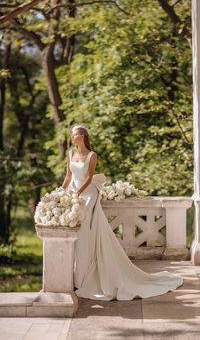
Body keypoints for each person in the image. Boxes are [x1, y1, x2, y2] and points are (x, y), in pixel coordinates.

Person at [61, 124, 183, 301]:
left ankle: (83, 275)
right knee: (75, 231)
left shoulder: (92, 155)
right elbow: (68, 176)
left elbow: (88, 177)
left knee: (83, 228)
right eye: (72, 136)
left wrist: (78, 193)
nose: (73, 138)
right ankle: (77, 275)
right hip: (73, 192)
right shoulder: (70, 154)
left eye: (76, 135)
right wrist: (60, 192)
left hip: (87, 194)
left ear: (83, 136)